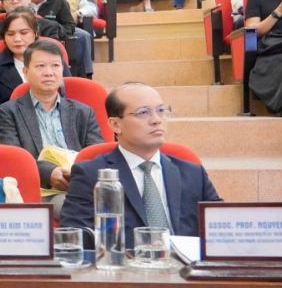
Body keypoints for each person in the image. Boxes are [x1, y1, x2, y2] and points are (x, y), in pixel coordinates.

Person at [61, 83, 222, 241]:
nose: (156, 120)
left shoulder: (193, 173)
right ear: (115, 124)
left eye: (161, 110)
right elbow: (75, 238)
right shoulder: (90, 175)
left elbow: (220, 227)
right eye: (143, 112)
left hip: (184, 258)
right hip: (124, 258)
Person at [0, 40, 104, 214]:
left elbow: (97, 154)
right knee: (78, 207)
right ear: (26, 72)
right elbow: (16, 159)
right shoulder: (8, 112)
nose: (49, 72)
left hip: (80, 182)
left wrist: (76, 174)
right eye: (40, 66)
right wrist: (50, 173)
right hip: (40, 186)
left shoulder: (83, 111)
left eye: (55, 66)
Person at [0, 8, 70, 112]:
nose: (17, 39)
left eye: (24, 33)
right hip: (11, 118)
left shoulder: (53, 59)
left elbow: (70, 96)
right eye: (10, 34)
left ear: (35, 33)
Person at [27, 0, 93, 78]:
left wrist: (55, 29)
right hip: (26, 39)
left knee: (82, 36)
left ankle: (84, 76)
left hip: (52, 41)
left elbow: (70, 26)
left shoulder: (58, 0)